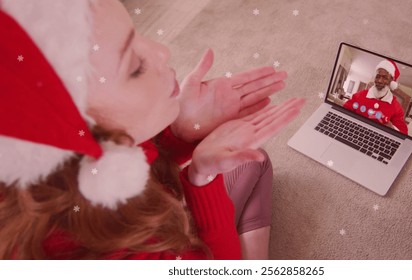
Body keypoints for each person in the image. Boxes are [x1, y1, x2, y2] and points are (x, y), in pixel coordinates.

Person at [0, 0, 305, 260]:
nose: (162, 51)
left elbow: (144, 156)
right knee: (253, 162)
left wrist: (180, 131)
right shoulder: (122, 253)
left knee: (255, 159)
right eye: (134, 67)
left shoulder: (61, 167)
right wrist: (203, 178)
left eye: (137, 36)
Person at [343, 60, 408, 135]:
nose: (380, 81)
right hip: (353, 133)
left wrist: (392, 128)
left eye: (384, 78)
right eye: (378, 76)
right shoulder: (359, 96)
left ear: (392, 82)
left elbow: (404, 133)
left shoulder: (397, 108)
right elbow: (343, 111)